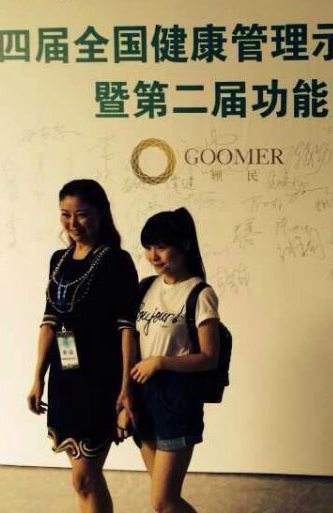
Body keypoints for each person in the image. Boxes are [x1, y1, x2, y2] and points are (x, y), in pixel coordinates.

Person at [27, 179, 139, 513]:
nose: (73, 223)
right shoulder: (58, 260)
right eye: (65, 214)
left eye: (82, 214)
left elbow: (127, 330)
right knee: (82, 480)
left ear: (102, 213)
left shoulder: (117, 261)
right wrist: (37, 377)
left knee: (85, 477)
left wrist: (126, 390)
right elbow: (49, 322)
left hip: (100, 380)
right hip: (65, 378)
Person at [130, 208, 220, 513]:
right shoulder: (146, 287)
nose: (153, 255)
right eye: (148, 247)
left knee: (163, 500)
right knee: (163, 500)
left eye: (161, 246)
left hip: (177, 400)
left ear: (184, 245)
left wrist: (161, 362)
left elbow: (209, 357)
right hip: (144, 397)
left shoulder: (199, 293)